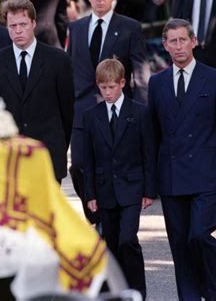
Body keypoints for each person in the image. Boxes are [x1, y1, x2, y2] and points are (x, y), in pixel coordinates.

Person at [148, 18, 216, 301]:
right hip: (171, 174)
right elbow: (152, 134)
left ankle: (211, 294)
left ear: (194, 41)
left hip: (206, 173)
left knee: (199, 235)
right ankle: (188, 297)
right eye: (172, 41)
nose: (178, 46)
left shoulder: (214, 78)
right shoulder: (157, 82)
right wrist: (149, 183)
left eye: (182, 40)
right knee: (179, 243)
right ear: (165, 46)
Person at [67, 0, 149, 224]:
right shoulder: (77, 28)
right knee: (79, 166)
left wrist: (141, 109)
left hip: (118, 108)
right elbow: (70, 68)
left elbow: (140, 70)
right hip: (82, 109)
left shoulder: (129, 27)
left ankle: (110, 219)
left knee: (112, 166)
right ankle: (96, 216)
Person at [83, 58, 155, 298]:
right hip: (105, 190)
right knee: (111, 245)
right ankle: (118, 292)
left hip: (132, 188)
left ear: (122, 83)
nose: (107, 92)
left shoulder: (139, 113)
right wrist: (90, 194)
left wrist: (149, 190)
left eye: (111, 87)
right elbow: (88, 159)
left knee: (127, 240)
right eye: (102, 87)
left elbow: (149, 154)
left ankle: (138, 291)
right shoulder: (91, 116)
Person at [0, 0, 74, 183]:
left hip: (48, 154)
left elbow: (68, 111)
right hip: (9, 156)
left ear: (33, 23)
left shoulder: (58, 60)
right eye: (12, 26)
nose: (18, 30)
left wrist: (58, 147)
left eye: (23, 24)